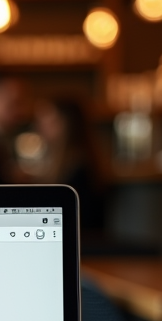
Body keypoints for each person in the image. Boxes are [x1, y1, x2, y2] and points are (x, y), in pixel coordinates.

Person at [34, 97, 107, 239]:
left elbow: (80, 220)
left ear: (66, 123)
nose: (40, 127)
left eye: (47, 120)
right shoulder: (62, 161)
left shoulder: (78, 166)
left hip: (81, 242)